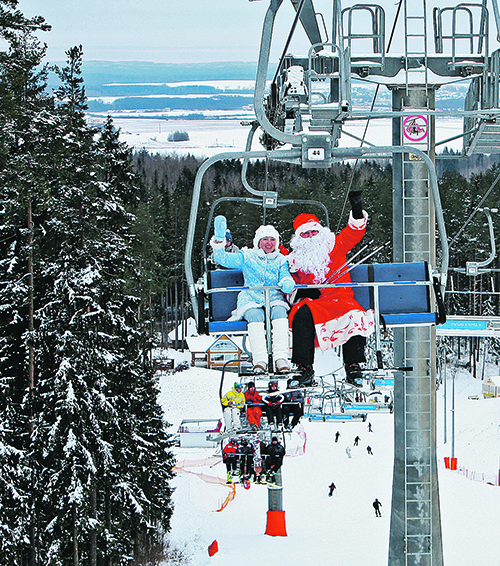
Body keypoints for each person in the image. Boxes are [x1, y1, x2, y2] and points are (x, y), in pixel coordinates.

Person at [287, 191, 375, 385]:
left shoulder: (336, 245)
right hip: (315, 301)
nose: (310, 237)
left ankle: (353, 365)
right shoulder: (295, 259)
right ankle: (303, 367)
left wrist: (357, 208)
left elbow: (354, 232)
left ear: (320, 232)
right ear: (299, 238)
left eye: (313, 232)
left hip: (341, 298)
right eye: (305, 234)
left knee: (354, 314)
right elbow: (285, 278)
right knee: (301, 315)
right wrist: (301, 291)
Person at [211, 216, 295, 373]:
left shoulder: (281, 259)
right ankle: (260, 360)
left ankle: (281, 358)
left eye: (272, 239)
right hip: (251, 297)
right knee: (255, 316)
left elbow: (285, 274)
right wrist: (219, 241)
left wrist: (287, 281)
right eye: (265, 239)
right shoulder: (247, 256)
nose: (269, 243)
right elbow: (222, 259)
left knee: (279, 313)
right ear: (258, 242)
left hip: (273, 298)